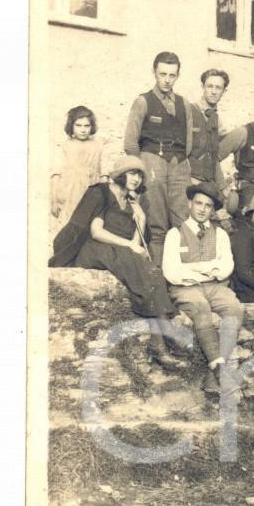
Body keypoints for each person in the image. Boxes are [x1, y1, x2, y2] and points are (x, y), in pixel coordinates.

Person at [49, 154, 180, 369]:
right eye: (132, 173)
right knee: (137, 263)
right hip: (94, 248)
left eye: (139, 175)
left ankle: (158, 343)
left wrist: (141, 219)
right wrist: (129, 246)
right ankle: (165, 336)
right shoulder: (102, 193)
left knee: (151, 269)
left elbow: (136, 244)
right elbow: (96, 231)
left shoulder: (132, 202)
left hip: (118, 250)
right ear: (120, 174)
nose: (136, 179)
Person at [162, 181, 244, 396]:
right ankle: (219, 370)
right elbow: (171, 272)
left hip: (214, 287)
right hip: (184, 288)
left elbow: (226, 268)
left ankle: (213, 375)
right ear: (190, 203)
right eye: (198, 203)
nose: (202, 209)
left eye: (208, 206)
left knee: (234, 308)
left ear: (213, 210)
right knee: (200, 307)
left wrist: (193, 269)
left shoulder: (220, 234)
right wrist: (207, 268)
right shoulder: (175, 233)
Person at [124, 51, 192, 265]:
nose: (167, 80)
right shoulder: (143, 102)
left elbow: (189, 143)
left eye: (172, 75)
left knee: (182, 222)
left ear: (178, 75)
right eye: (163, 74)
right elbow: (130, 144)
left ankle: (181, 273)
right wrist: (142, 171)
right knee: (157, 223)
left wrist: (179, 164)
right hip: (152, 163)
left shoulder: (184, 104)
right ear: (154, 72)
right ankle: (157, 274)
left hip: (178, 165)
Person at [50, 105, 104, 237]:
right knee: (68, 226)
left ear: (92, 127)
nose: (83, 130)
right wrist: (54, 200)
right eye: (78, 125)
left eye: (87, 126)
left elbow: (102, 172)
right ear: (71, 126)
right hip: (69, 193)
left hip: (90, 190)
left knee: (88, 227)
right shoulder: (66, 146)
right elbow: (56, 174)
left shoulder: (97, 146)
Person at [188, 68, 233, 218]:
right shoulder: (189, 111)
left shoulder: (215, 118)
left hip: (207, 183)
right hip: (188, 181)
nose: (213, 91)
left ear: (224, 91)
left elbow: (214, 157)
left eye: (218, 88)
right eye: (210, 86)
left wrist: (223, 187)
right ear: (203, 87)